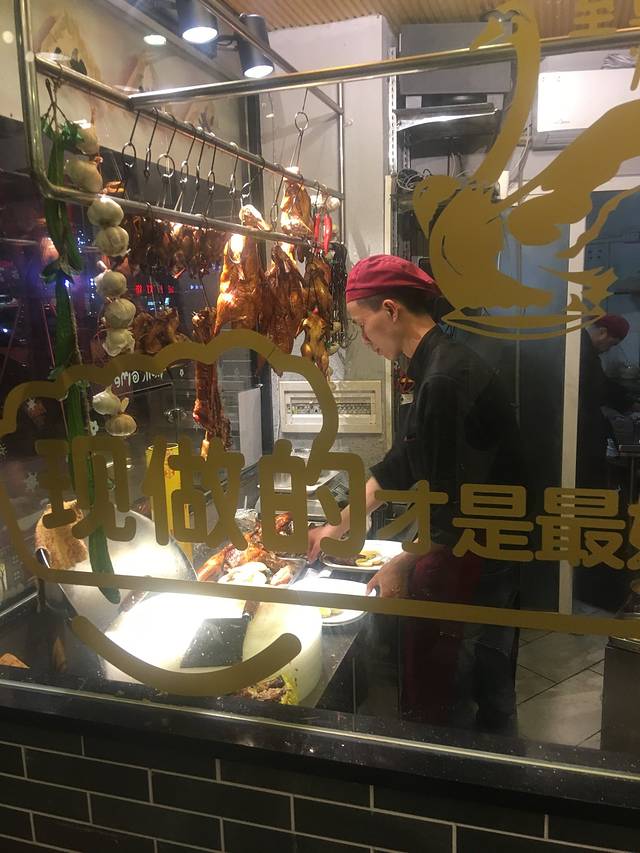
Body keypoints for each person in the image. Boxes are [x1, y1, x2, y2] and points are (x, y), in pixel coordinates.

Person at [307, 255, 525, 732]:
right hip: (475, 548)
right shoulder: (439, 363)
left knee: (463, 684)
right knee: (482, 675)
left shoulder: (444, 378)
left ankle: (464, 763)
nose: (364, 338)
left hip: (479, 554)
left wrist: (400, 564)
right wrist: (337, 526)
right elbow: (402, 465)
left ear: (391, 310)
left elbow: (451, 509)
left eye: (362, 324)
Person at [577, 314, 631, 488]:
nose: (608, 350)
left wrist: (629, 398)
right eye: (612, 344)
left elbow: (602, 384)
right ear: (602, 332)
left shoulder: (583, 347)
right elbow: (599, 389)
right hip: (580, 429)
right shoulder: (581, 351)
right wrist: (629, 403)